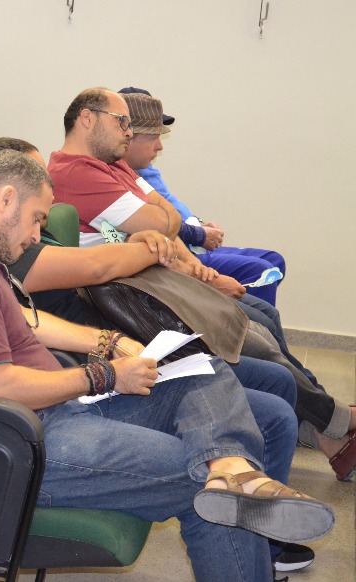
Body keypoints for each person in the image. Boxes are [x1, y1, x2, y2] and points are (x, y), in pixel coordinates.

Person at [0, 149, 335, 581]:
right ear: (6, 198)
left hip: (55, 411)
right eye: (37, 218)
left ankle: (232, 469)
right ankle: (225, 478)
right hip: (26, 441)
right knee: (202, 485)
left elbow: (25, 320)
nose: (36, 234)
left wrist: (108, 342)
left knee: (202, 371)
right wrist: (103, 374)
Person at [49, 89, 356, 481]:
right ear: (87, 118)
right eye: (122, 122)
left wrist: (185, 261)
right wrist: (161, 244)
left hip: (152, 283)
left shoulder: (113, 167)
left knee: (262, 321)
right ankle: (333, 425)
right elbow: (153, 229)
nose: (129, 132)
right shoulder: (77, 172)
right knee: (259, 342)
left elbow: (169, 224)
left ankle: (328, 426)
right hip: (136, 298)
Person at [119, 88, 286, 305]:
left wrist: (197, 225)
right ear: (128, 136)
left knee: (274, 261)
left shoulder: (138, 169)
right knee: (261, 272)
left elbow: (169, 210)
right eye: (153, 137)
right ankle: (232, 318)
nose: (160, 146)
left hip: (182, 250)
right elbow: (159, 225)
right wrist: (198, 242)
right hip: (169, 259)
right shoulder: (118, 174)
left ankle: (236, 315)